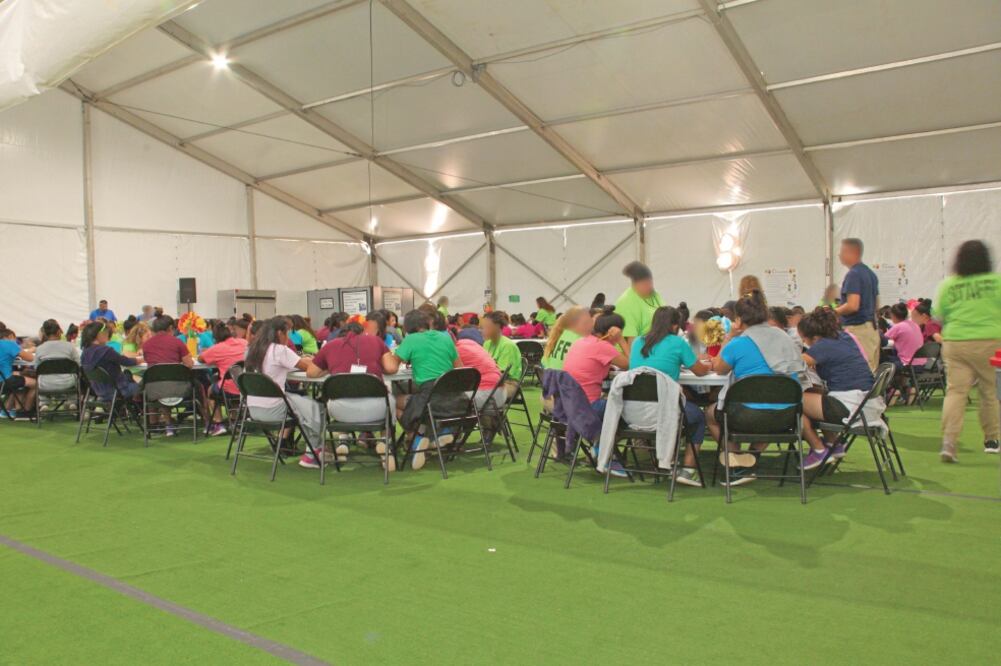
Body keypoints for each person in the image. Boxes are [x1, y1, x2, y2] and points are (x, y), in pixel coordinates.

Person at [707, 290, 825, 485]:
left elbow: (719, 369)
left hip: (744, 414)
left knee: (711, 415)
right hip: (787, 414)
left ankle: (736, 460)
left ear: (738, 319)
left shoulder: (738, 343)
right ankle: (751, 458)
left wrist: (729, 337)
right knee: (773, 403)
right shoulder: (783, 337)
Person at [934, 240, 1001, 461]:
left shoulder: (948, 284)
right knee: (989, 392)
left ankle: (949, 443)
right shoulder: (996, 282)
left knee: (955, 392)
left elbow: (939, 314)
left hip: (956, 342)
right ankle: (991, 439)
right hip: (990, 342)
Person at [629, 306, 709, 486]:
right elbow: (700, 372)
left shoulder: (637, 342)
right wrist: (708, 365)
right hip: (665, 411)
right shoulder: (677, 342)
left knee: (685, 408)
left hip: (632, 412)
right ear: (675, 326)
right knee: (697, 416)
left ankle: (666, 458)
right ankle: (689, 470)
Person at [798, 307, 878, 467]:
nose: (804, 343)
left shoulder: (822, 346)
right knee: (816, 394)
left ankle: (819, 450)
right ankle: (832, 443)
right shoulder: (846, 337)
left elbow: (793, 364)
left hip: (849, 406)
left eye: (804, 339)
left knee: (794, 400)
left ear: (814, 338)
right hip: (867, 402)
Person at [244, 317, 327, 469]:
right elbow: (307, 367)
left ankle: (314, 450)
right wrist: (316, 361)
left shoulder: (252, 350)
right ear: (279, 333)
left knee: (302, 405)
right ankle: (313, 452)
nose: (288, 338)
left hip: (253, 410)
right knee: (315, 407)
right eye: (287, 333)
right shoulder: (279, 350)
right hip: (275, 410)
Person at [393, 309, 461, 470]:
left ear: (407, 327)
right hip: (455, 399)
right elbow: (460, 368)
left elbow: (392, 366)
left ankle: (415, 436)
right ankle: (440, 433)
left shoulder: (411, 340)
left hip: (429, 399)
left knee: (393, 401)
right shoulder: (446, 338)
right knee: (420, 399)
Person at [562, 310, 629, 418]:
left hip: (568, 404)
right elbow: (631, 364)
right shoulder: (602, 345)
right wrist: (621, 340)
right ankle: (610, 435)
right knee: (630, 406)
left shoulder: (581, 341)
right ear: (613, 331)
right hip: (588, 407)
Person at [835, 238, 880, 372]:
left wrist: (833, 312)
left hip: (857, 329)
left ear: (852, 253)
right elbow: (876, 305)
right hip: (870, 328)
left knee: (860, 370)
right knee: (871, 369)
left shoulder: (853, 274)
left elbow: (853, 305)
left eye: (842, 251)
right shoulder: (870, 274)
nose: (839, 255)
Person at [199, 320, 248, 437]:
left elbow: (201, 359)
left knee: (211, 390)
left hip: (230, 387)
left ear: (215, 338)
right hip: (246, 386)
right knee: (227, 385)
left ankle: (218, 422)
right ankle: (235, 421)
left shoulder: (217, 348)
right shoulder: (244, 342)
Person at [79, 321, 140, 404]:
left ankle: (125, 410)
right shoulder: (106, 351)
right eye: (107, 333)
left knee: (128, 375)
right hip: (117, 390)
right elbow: (126, 361)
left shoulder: (85, 352)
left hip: (98, 391)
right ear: (100, 334)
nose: (108, 335)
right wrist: (139, 360)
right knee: (146, 386)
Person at [614, 261, 663, 355]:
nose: (649, 286)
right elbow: (631, 343)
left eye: (650, 282)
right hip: (632, 355)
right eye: (644, 284)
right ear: (635, 284)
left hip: (652, 349)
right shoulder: (627, 302)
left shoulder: (654, 295)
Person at [33, 319, 80, 397]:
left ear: (44, 333)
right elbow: (78, 364)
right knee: (75, 375)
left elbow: (37, 368)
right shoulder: (70, 346)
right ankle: (72, 400)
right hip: (67, 383)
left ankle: (44, 402)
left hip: (45, 384)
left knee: (40, 377)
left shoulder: (39, 349)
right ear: (59, 332)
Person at [482, 311, 522, 396]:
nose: (483, 330)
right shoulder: (487, 343)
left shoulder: (507, 346)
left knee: (480, 393)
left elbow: (502, 375)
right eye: (483, 327)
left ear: (497, 327)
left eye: (487, 327)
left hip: (509, 383)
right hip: (492, 381)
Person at [0, 328, 36, 417]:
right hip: (5, 380)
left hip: (4, 379)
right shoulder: (9, 344)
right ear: (10, 336)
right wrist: (32, 349)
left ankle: (9, 409)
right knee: (36, 383)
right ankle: (25, 411)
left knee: (20, 380)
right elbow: (30, 358)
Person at [884, 303, 924, 368]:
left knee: (882, 359)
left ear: (892, 315)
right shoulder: (915, 324)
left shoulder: (898, 326)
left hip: (907, 364)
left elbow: (882, 339)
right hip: (921, 363)